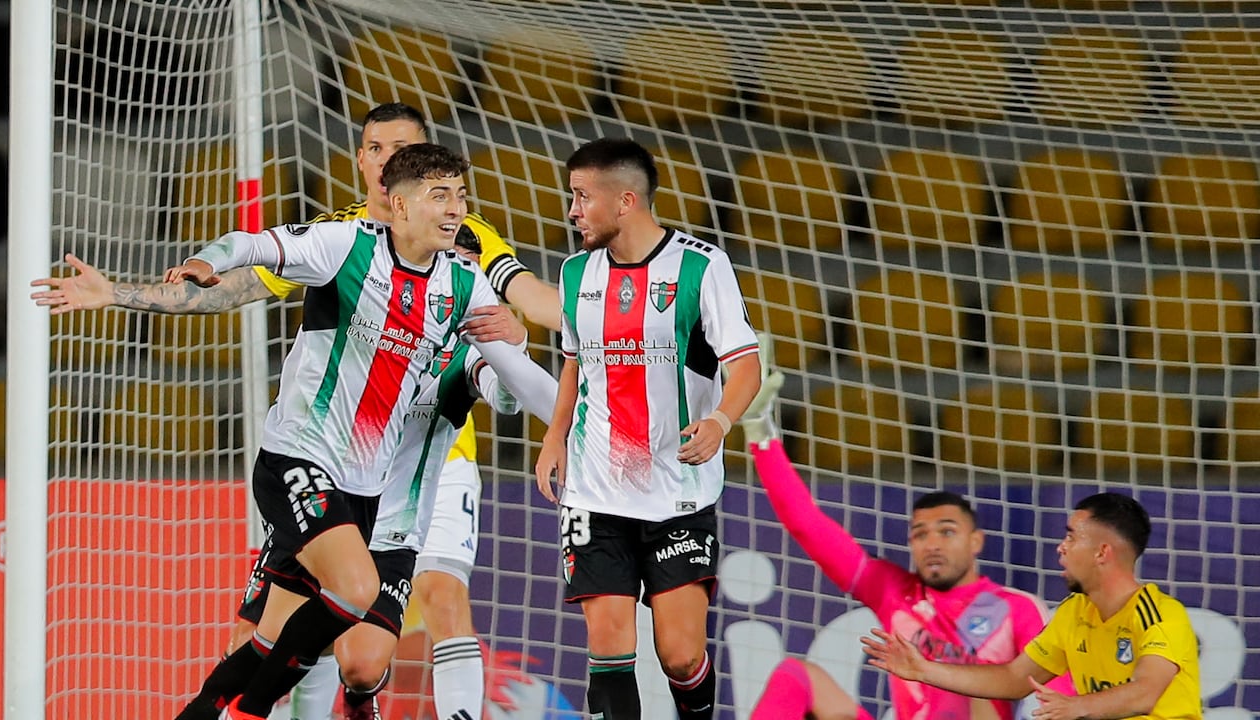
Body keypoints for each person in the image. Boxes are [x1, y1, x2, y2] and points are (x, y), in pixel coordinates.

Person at [31, 103, 562, 720]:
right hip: (307, 458)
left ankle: (230, 710)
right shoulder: (338, 242)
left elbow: (520, 356)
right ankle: (250, 711)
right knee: (324, 605)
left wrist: (568, 360)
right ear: (382, 181)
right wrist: (134, 289)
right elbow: (242, 269)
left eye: (456, 193)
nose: (452, 206)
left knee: (346, 643)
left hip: (412, 477)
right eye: (375, 147)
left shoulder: (467, 261)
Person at [156, 142, 550, 720]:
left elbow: (511, 394)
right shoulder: (361, 279)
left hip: (391, 522)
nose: (445, 287)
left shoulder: (465, 350)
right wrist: (202, 264)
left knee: (360, 658)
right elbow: (260, 248)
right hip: (325, 484)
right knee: (266, 634)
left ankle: (353, 700)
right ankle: (226, 708)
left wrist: (516, 349)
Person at [534, 137, 762, 720]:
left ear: (626, 200)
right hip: (595, 489)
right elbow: (575, 360)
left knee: (681, 657)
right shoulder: (576, 271)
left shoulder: (700, 266)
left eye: (583, 197)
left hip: (678, 490)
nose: (573, 210)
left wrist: (719, 420)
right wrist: (555, 437)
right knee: (609, 644)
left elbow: (746, 365)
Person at [736, 335, 1060, 720]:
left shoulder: (1016, 609)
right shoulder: (894, 592)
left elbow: (1057, 694)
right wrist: (759, 432)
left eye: (946, 531)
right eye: (920, 534)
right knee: (795, 674)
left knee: (973, 694)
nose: (932, 543)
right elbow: (807, 525)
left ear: (977, 541)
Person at [861, 492, 1202, 720]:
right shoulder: (1074, 612)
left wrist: (1076, 706)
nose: (1060, 547)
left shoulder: (1159, 614)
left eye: (1071, 536)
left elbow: (1145, 693)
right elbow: (1014, 678)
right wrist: (925, 670)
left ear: (1102, 553)